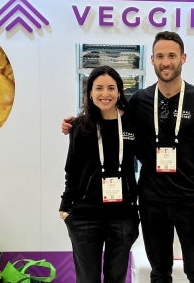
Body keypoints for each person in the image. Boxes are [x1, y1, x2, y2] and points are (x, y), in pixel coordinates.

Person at [62, 31, 194, 283]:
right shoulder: (138, 101)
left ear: (183, 58)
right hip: (150, 201)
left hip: (191, 201)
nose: (165, 62)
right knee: (159, 272)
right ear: (153, 61)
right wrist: (76, 123)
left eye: (171, 55)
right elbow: (107, 116)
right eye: (160, 56)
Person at [59, 65, 139, 283]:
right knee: (88, 279)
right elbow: (72, 170)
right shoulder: (80, 126)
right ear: (90, 93)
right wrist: (65, 208)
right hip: (86, 217)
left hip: (123, 217)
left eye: (111, 88)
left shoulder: (132, 123)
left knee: (116, 278)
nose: (105, 94)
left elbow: (150, 156)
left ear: (120, 92)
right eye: (99, 88)